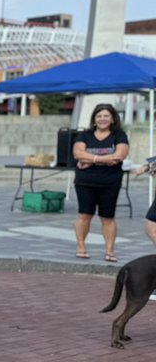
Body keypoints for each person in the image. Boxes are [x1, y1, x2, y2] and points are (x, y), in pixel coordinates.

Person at [73, 103, 129, 262]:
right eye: (99, 116)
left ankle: (110, 251)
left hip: (110, 182)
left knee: (108, 217)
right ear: (94, 119)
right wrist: (104, 159)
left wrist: (90, 160)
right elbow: (78, 154)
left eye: (106, 116)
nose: (102, 119)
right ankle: (81, 247)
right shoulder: (85, 135)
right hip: (85, 181)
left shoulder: (119, 135)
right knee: (84, 215)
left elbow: (119, 156)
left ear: (112, 119)